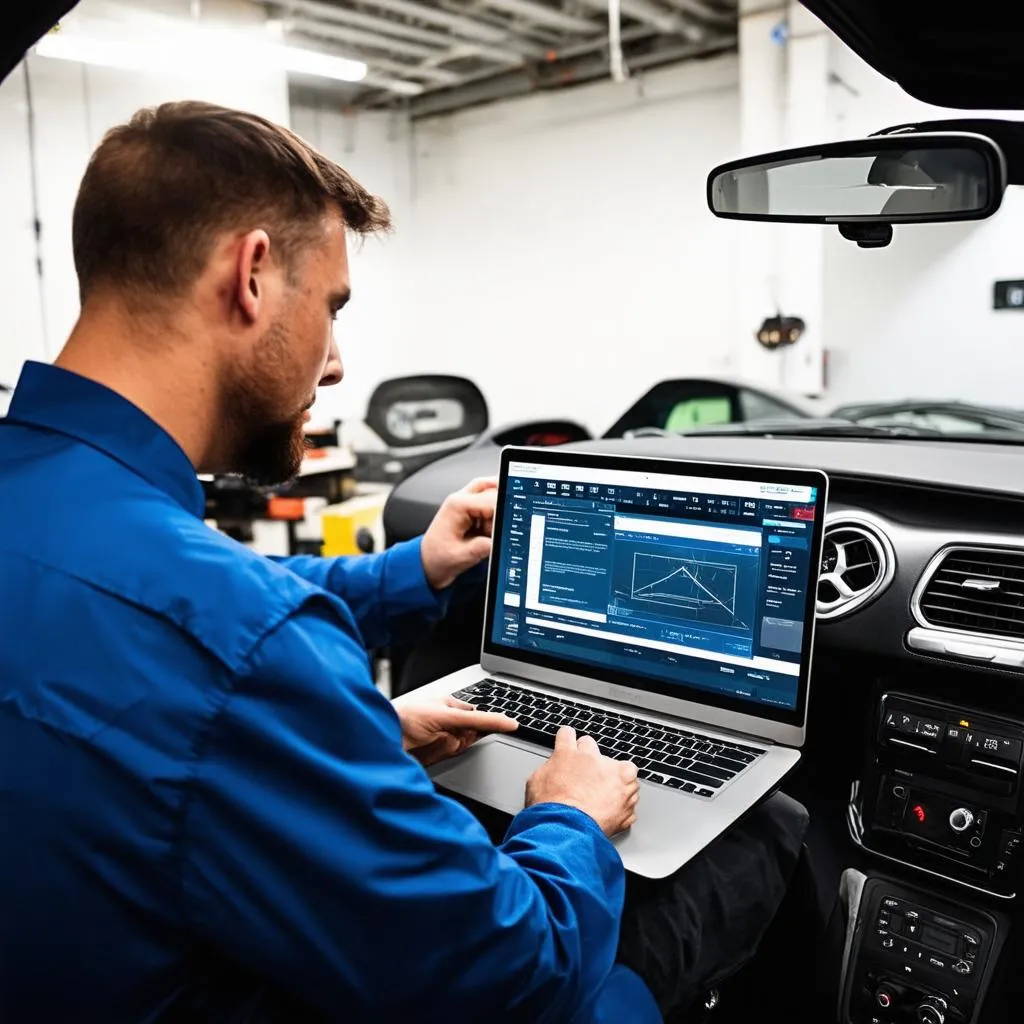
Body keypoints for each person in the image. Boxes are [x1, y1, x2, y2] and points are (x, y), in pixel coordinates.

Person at [0, 101, 808, 1024]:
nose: (336, 363)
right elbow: (518, 976)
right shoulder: (243, 644)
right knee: (763, 833)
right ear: (252, 275)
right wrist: (571, 817)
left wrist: (406, 593)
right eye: (331, 308)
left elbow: (162, 621)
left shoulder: (60, 512)